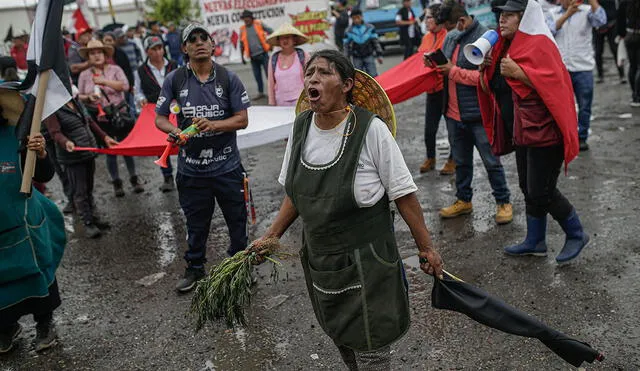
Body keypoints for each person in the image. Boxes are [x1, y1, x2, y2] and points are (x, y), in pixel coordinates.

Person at [248, 49, 443, 369]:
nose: (313, 78)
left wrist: (427, 248)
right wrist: (271, 236)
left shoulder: (371, 131)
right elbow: (294, 193)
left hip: (368, 262)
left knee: (371, 346)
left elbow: (404, 195)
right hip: (322, 261)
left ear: (347, 85)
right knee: (341, 335)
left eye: (324, 73)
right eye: (310, 72)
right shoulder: (299, 129)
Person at [479, 0, 590, 264]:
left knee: (541, 190)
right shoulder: (504, 46)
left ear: (524, 18)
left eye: (509, 16)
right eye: (501, 15)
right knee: (527, 187)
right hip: (522, 131)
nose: (501, 20)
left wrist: (520, 72)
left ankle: (576, 233)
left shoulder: (540, 44)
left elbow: (557, 86)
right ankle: (535, 240)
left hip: (545, 132)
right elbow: (492, 90)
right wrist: (486, 68)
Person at [155, 23, 252, 293]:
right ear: (184, 48)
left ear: (212, 45)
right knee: (196, 225)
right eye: (192, 39)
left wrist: (214, 124)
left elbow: (242, 119)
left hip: (227, 167)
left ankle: (239, 269)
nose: (199, 42)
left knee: (237, 222)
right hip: (191, 171)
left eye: (204, 38)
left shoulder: (228, 78)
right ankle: (195, 269)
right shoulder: (174, 79)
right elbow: (160, 119)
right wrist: (174, 130)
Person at [435, 0, 513, 224]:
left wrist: (452, 71)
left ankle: (503, 201)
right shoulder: (451, 38)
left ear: (461, 21)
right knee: (461, 162)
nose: (447, 33)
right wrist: (435, 63)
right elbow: (446, 66)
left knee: (491, 161)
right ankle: (464, 200)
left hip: (478, 114)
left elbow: (483, 79)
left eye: (450, 27)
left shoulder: (486, 37)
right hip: (453, 113)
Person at [0, 87, 66, 353]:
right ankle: (6, 328)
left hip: (25, 221)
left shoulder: (17, 135)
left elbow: (45, 175)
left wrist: (40, 153)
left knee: (38, 272)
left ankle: (45, 325)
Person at [77, 39, 144, 197]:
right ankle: (116, 183)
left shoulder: (115, 69)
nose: (96, 56)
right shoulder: (84, 75)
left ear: (105, 54)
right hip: (100, 118)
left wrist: (103, 81)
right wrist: (88, 97)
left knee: (125, 147)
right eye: (92, 53)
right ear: (88, 57)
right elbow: (79, 95)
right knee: (109, 151)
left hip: (119, 115)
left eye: (99, 52)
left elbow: (125, 86)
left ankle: (134, 179)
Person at [43, 98, 119, 238]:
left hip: (88, 150)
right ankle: (88, 223)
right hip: (72, 156)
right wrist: (66, 142)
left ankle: (94, 217)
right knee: (80, 191)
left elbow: (89, 121)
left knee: (89, 188)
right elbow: (55, 133)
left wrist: (105, 137)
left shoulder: (76, 102)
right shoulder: (51, 106)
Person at [546, 0, 607, 151]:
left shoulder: (587, 11)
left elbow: (601, 20)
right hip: (561, 69)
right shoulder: (551, 13)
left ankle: (582, 137)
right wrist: (567, 14)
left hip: (583, 67)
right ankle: (564, 136)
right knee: (560, 106)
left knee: (585, 105)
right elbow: (549, 31)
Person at [136, 35, 179, 191]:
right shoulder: (141, 71)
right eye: (154, 49)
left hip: (177, 110)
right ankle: (167, 176)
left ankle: (187, 173)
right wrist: (141, 99)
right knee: (160, 144)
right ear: (147, 51)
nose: (158, 52)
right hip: (155, 112)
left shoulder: (174, 65)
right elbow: (138, 91)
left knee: (182, 137)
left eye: (160, 48)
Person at [418, 3, 455, 174]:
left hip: (445, 89)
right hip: (431, 90)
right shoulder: (426, 38)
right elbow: (418, 61)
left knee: (452, 127)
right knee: (429, 128)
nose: (426, 22)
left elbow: (447, 61)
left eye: (429, 18)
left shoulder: (447, 36)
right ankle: (430, 158)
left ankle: (453, 160)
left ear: (438, 19)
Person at [266, 23, 310, 106]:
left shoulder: (303, 55)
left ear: (294, 40)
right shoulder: (273, 58)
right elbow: (270, 83)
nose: (285, 40)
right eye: (281, 38)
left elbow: (310, 78)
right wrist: (271, 103)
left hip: (302, 101)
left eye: (287, 37)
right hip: (280, 102)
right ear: (278, 41)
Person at [240, 10, 273, 100]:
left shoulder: (259, 24)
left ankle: (273, 92)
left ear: (251, 18)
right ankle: (261, 92)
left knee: (269, 75)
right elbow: (241, 44)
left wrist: (271, 44)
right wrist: (242, 57)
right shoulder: (242, 29)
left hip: (263, 54)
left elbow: (271, 31)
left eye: (247, 18)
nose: (246, 20)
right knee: (257, 76)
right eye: (244, 18)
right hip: (253, 57)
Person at [343, 9, 384, 77]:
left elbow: (376, 42)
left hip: (369, 55)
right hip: (356, 57)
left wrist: (379, 55)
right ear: (352, 19)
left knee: (373, 75)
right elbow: (346, 46)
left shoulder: (370, 28)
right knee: (359, 77)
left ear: (362, 17)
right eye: (354, 18)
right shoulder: (348, 31)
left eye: (358, 17)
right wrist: (346, 60)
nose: (356, 20)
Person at [593, 0, 625, 84]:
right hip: (598, 26)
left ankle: (622, 74)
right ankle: (600, 75)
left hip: (612, 23)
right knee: (598, 51)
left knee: (615, 50)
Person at [618, 0, 640, 107]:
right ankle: (637, 94)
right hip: (635, 34)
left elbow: (620, 18)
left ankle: (634, 94)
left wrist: (622, 34)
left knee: (633, 65)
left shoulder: (625, 2)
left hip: (629, 35)